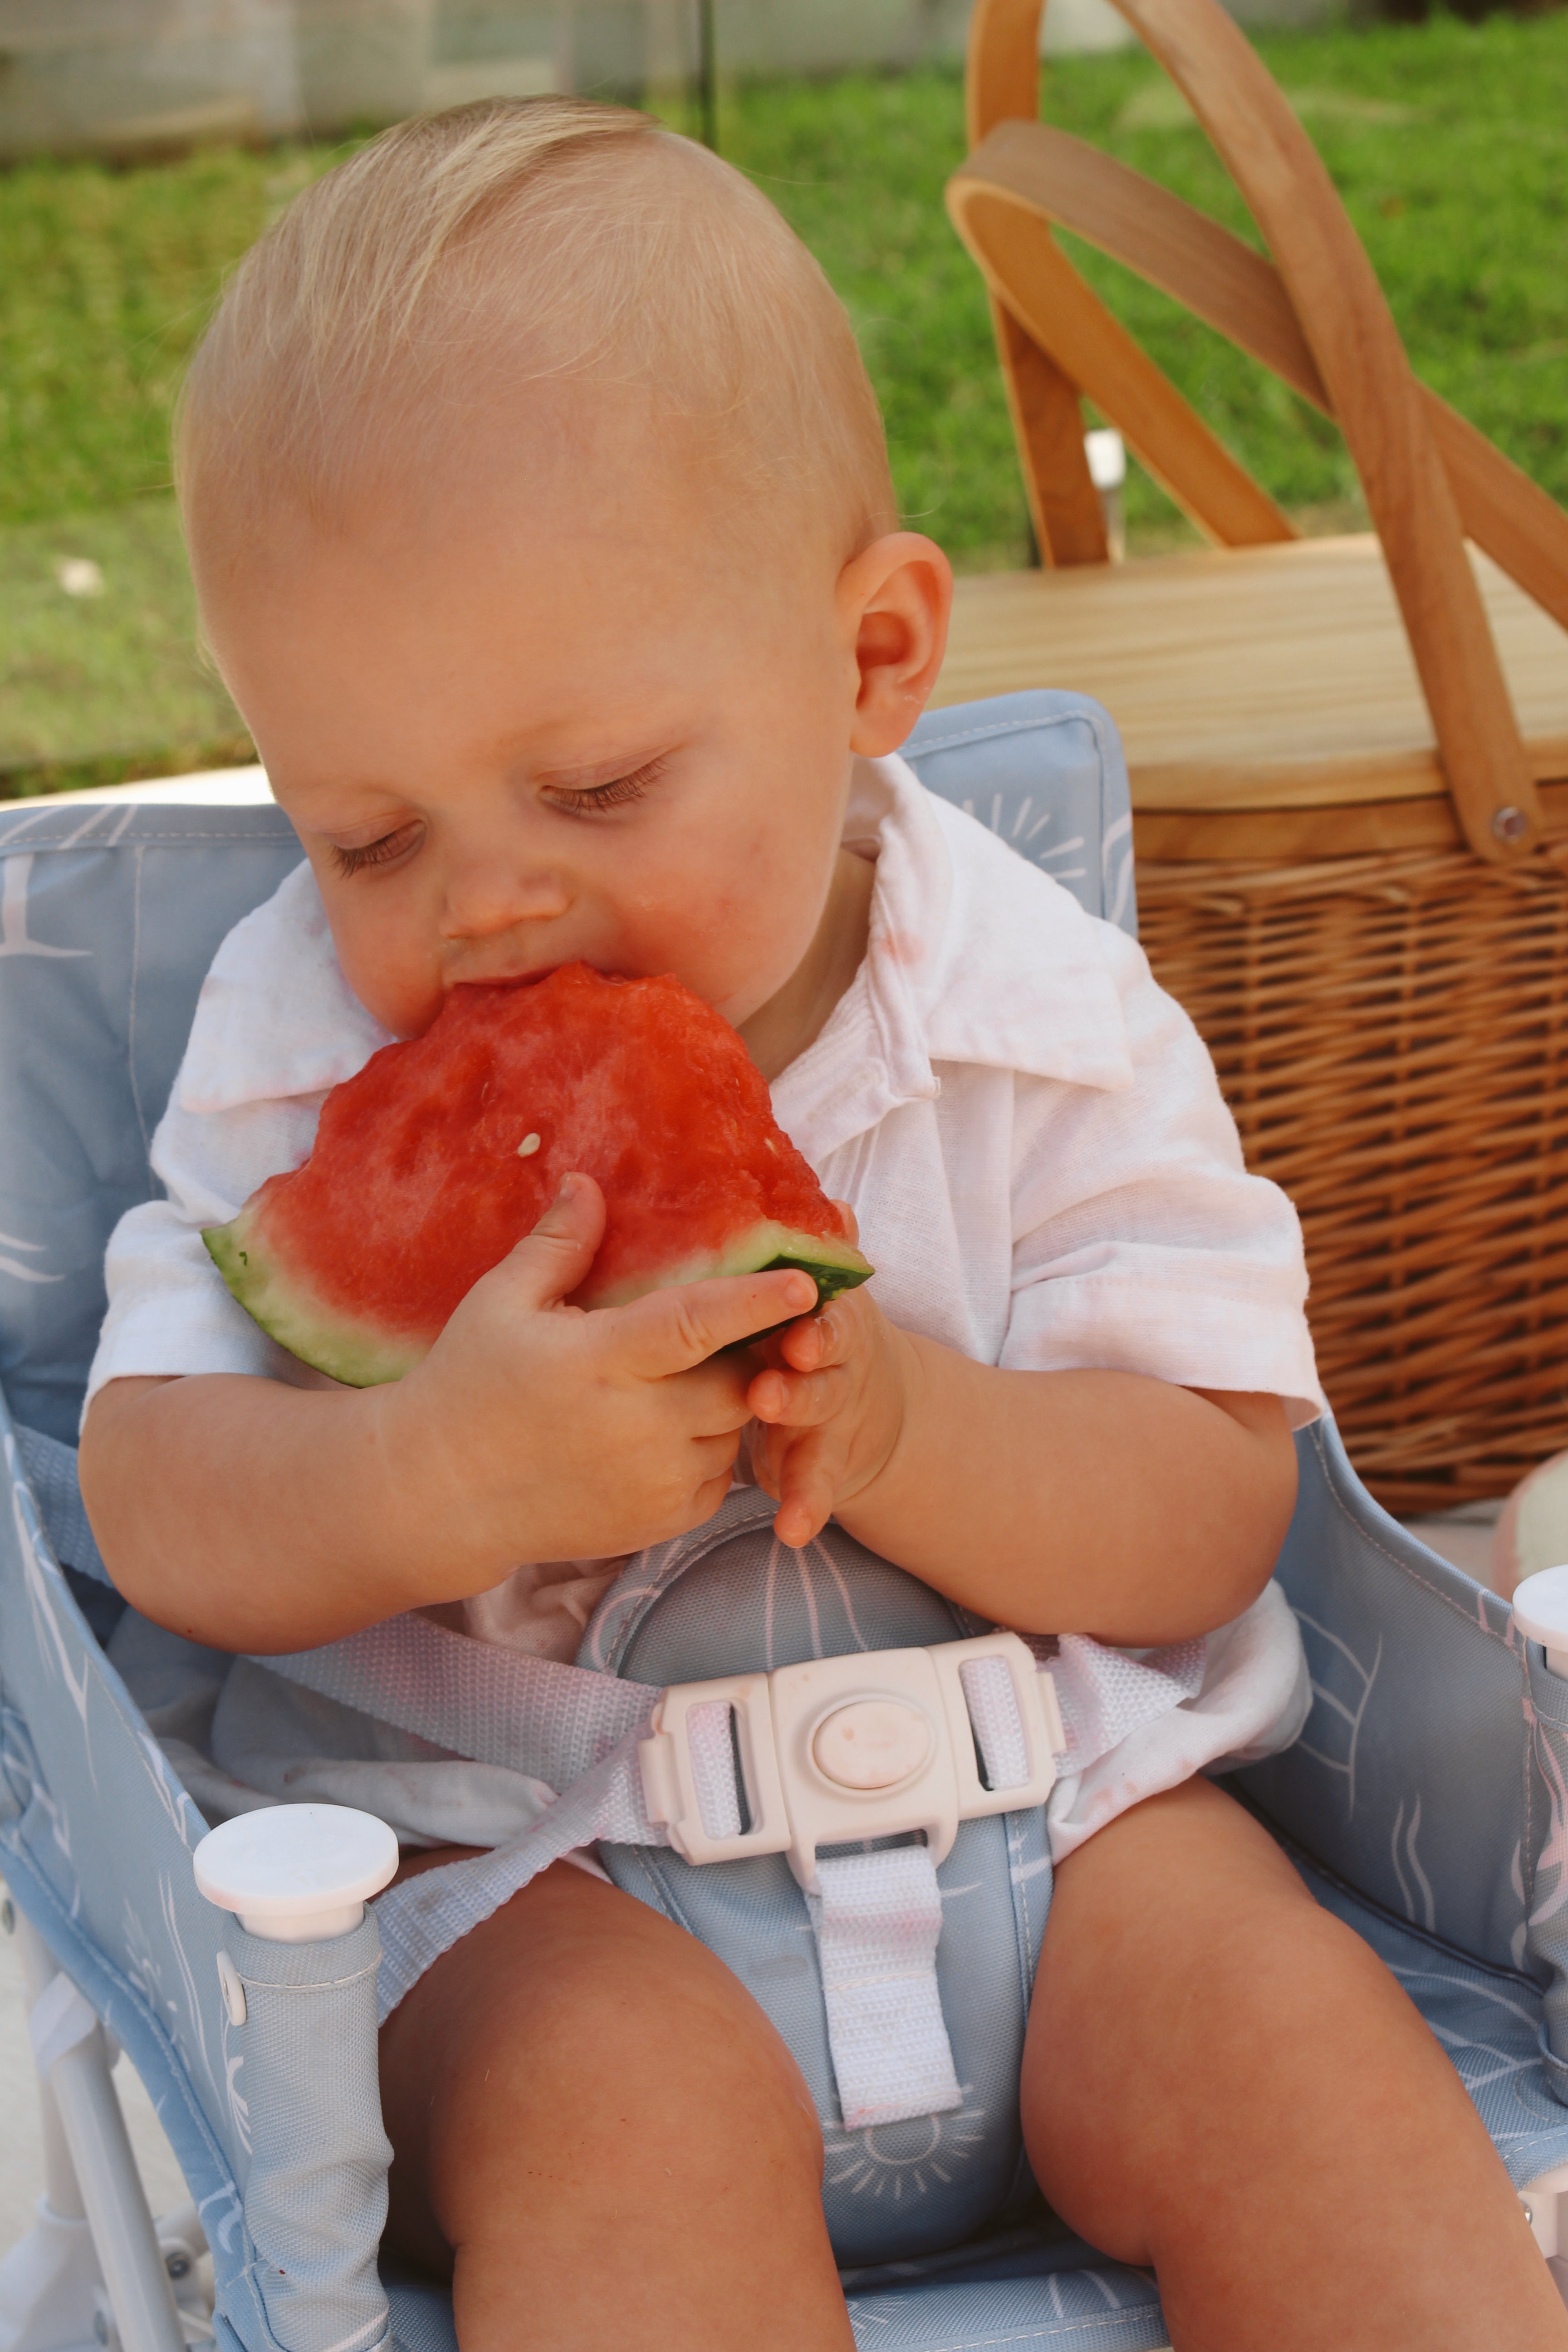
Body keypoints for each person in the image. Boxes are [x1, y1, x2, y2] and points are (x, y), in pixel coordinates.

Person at [77, 98, 1567, 2352]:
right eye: (366, 832)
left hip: (1067, 1833)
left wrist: (914, 1437)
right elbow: (151, 1501)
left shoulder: (1043, 1017)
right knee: (627, 2130)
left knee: (1307, 2073)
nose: (484, 906)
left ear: (872, 663)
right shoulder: (293, 1037)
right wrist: (425, 1470)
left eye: (592, 791)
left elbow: (1211, 1508)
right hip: (528, 1883)